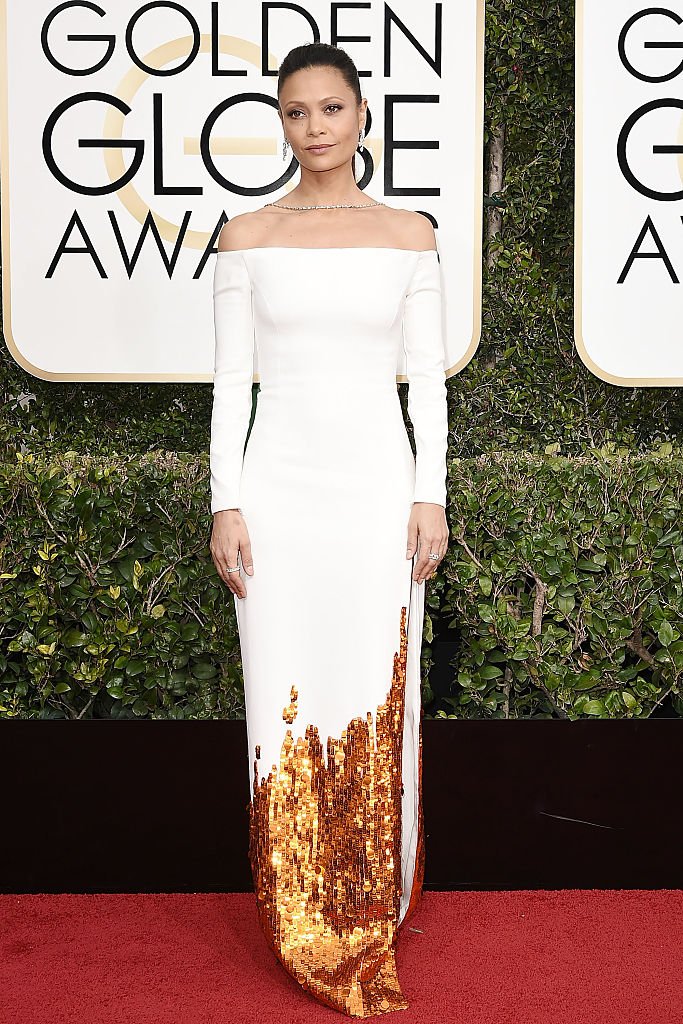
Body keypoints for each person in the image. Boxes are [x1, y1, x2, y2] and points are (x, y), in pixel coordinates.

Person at [209, 41, 449, 1018]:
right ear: (282, 123)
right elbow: (231, 383)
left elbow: (426, 380)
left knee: (374, 688)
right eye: (296, 112)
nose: (314, 127)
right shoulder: (244, 234)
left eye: (330, 109)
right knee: (282, 696)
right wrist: (225, 499)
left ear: (360, 117)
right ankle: (302, 906)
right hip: (277, 495)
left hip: (373, 492)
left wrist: (428, 493)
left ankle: (370, 899)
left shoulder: (407, 234)